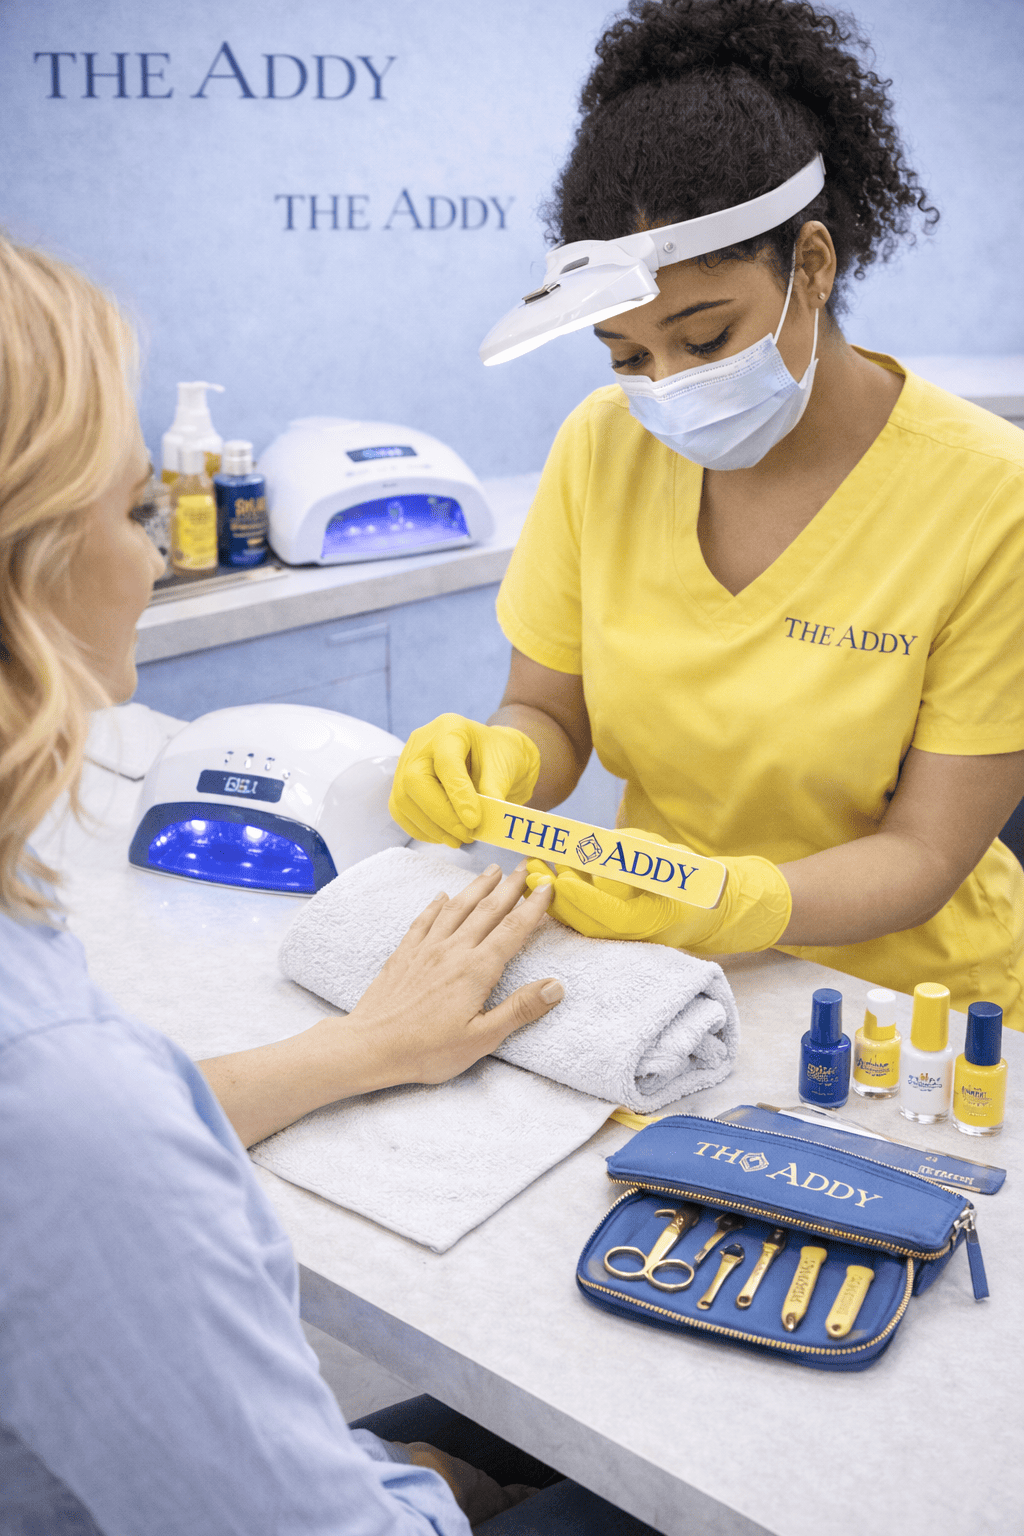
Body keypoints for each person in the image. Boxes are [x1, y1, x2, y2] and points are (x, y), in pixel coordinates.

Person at [0, 238, 660, 1534]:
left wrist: (362, 1049)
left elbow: (101, 1131)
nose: (153, 564)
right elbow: (80, 1139)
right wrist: (439, 1496)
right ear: (26, 573)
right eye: (135, 514)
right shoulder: (64, 1100)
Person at [390, 0, 1024, 1027]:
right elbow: (552, 713)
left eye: (706, 335)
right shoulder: (602, 447)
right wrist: (498, 758)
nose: (668, 387)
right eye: (630, 357)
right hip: (665, 987)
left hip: (911, 1016)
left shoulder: (995, 500)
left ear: (809, 267)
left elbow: (923, 858)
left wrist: (739, 900)